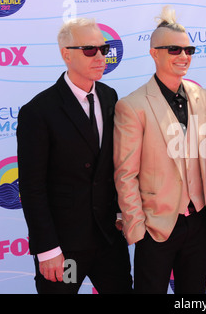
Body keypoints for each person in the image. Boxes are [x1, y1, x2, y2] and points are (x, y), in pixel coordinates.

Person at [17, 18, 133, 294]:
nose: (101, 57)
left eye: (103, 49)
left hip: (109, 241)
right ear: (65, 54)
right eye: (90, 50)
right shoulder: (39, 111)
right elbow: (32, 188)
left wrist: (121, 215)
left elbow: (112, 166)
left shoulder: (109, 96)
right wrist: (47, 250)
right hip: (64, 249)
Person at [113, 6, 206, 294]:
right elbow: (125, 174)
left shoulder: (202, 96)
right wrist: (137, 230)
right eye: (174, 49)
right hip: (155, 226)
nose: (184, 56)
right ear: (154, 53)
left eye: (189, 50)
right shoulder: (132, 106)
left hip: (198, 221)